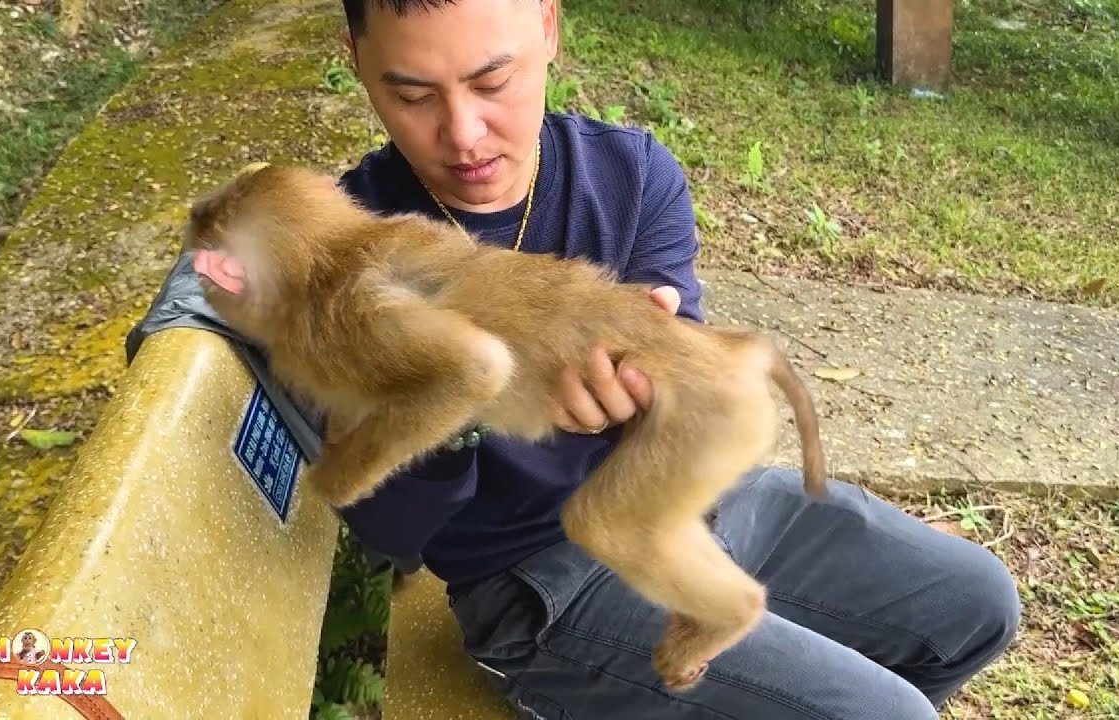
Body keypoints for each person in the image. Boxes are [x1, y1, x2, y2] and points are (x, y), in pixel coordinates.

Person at [330, 1, 1022, 717]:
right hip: (541, 579)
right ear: (355, 57)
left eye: (493, 82)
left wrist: (658, 385)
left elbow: (682, 394)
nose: (464, 134)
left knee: (977, 604)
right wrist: (456, 403)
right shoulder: (350, 257)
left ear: (548, 27)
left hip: (693, 505)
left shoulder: (630, 173)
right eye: (413, 96)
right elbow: (387, 533)